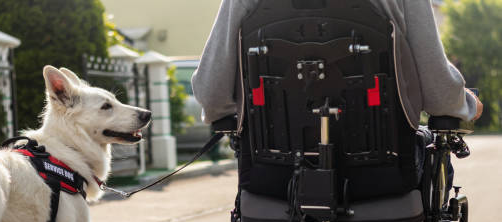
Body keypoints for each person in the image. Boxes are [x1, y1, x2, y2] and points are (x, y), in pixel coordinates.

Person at [192, 0, 483, 127]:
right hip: (383, 173)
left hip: (275, 176)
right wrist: (466, 102)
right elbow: (439, 95)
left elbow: (210, 93)